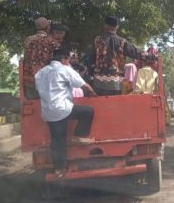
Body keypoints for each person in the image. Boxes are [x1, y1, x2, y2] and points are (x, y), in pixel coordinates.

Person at [35, 48, 97, 177]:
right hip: (63, 108)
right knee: (87, 111)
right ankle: (78, 136)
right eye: (68, 59)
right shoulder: (64, 69)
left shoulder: (40, 73)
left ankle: (59, 169)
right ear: (64, 58)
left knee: (57, 140)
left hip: (48, 111)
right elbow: (83, 85)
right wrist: (93, 93)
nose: (69, 61)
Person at [87, 16, 157, 95]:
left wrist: (93, 76)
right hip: (116, 86)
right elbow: (136, 52)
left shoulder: (97, 40)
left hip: (98, 85)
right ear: (117, 27)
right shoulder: (122, 42)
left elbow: (90, 61)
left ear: (105, 25)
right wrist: (152, 56)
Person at [23, 17, 61, 99]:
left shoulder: (28, 40)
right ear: (47, 27)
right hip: (45, 80)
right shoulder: (51, 40)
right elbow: (59, 57)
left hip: (29, 79)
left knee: (33, 102)